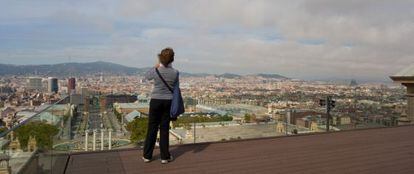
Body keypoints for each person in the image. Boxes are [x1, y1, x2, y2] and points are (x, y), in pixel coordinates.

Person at [142, 48, 178, 164]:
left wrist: (156, 65)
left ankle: (147, 156)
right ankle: (164, 157)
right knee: (164, 129)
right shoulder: (175, 72)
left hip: (156, 101)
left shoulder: (156, 70)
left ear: (160, 58)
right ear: (172, 59)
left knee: (152, 128)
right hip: (168, 101)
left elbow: (146, 77)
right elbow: (176, 88)